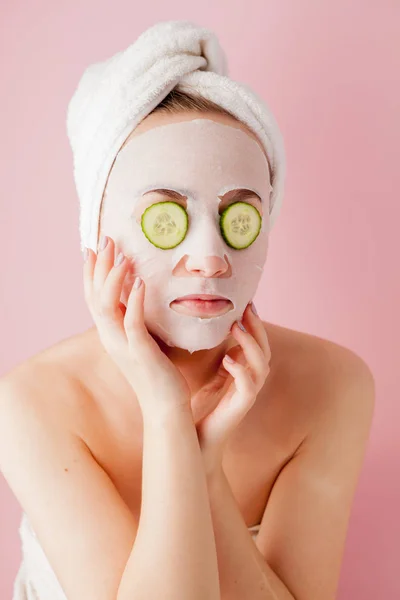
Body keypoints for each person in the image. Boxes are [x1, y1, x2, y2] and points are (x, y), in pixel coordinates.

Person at [1, 27, 375, 600]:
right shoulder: (31, 402)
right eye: (166, 219)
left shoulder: (335, 385)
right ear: (98, 238)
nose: (209, 259)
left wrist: (205, 470)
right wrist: (164, 410)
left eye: (238, 221)